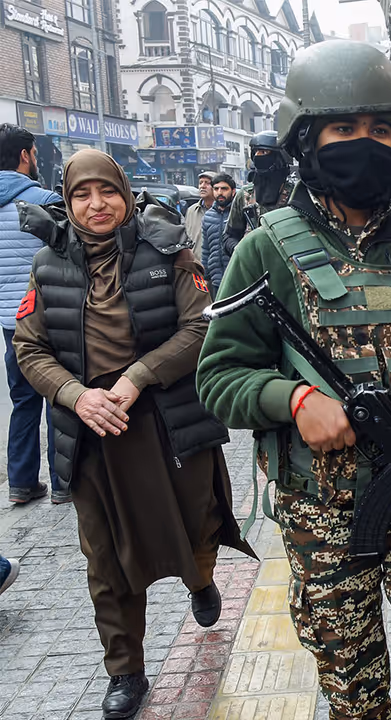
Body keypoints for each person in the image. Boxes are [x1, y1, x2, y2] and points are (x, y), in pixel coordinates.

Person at [196, 39, 391, 719]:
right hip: (325, 514)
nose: (364, 144)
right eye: (343, 129)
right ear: (307, 142)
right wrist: (294, 398)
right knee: (355, 692)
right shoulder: (269, 247)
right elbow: (217, 375)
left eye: (379, 131)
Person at [13, 149, 254, 720]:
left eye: (107, 192)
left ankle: (200, 577)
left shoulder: (167, 247)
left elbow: (202, 324)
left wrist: (138, 376)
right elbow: (30, 348)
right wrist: (78, 396)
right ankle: (125, 670)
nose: (96, 206)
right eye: (80, 195)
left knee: (196, 520)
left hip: (167, 419)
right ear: (66, 201)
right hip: (93, 431)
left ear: (125, 193)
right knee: (106, 557)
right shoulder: (47, 264)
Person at [0, 124, 64, 504]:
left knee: (23, 399)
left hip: (10, 321)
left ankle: (21, 482)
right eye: (36, 154)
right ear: (25, 156)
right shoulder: (45, 200)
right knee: (58, 394)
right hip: (49, 315)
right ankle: (62, 483)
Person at [223, 131, 295, 256]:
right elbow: (229, 236)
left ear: (280, 157)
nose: (258, 156)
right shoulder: (245, 195)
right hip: (255, 269)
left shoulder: (295, 194)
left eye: (264, 152)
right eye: (255, 152)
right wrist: (242, 252)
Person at [201, 173, 236, 299]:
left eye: (224, 189)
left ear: (233, 191)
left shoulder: (239, 213)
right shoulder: (208, 217)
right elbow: (206, 249)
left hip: (237, 279)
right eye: (216, 189)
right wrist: (205, 277)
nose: (219, 192)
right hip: (217, 280)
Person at [183, 171, 216, 260]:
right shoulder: (191, 211)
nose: (202, 186)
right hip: (195, 266)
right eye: (200, 183)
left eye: (207, 183)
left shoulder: (224, 211)